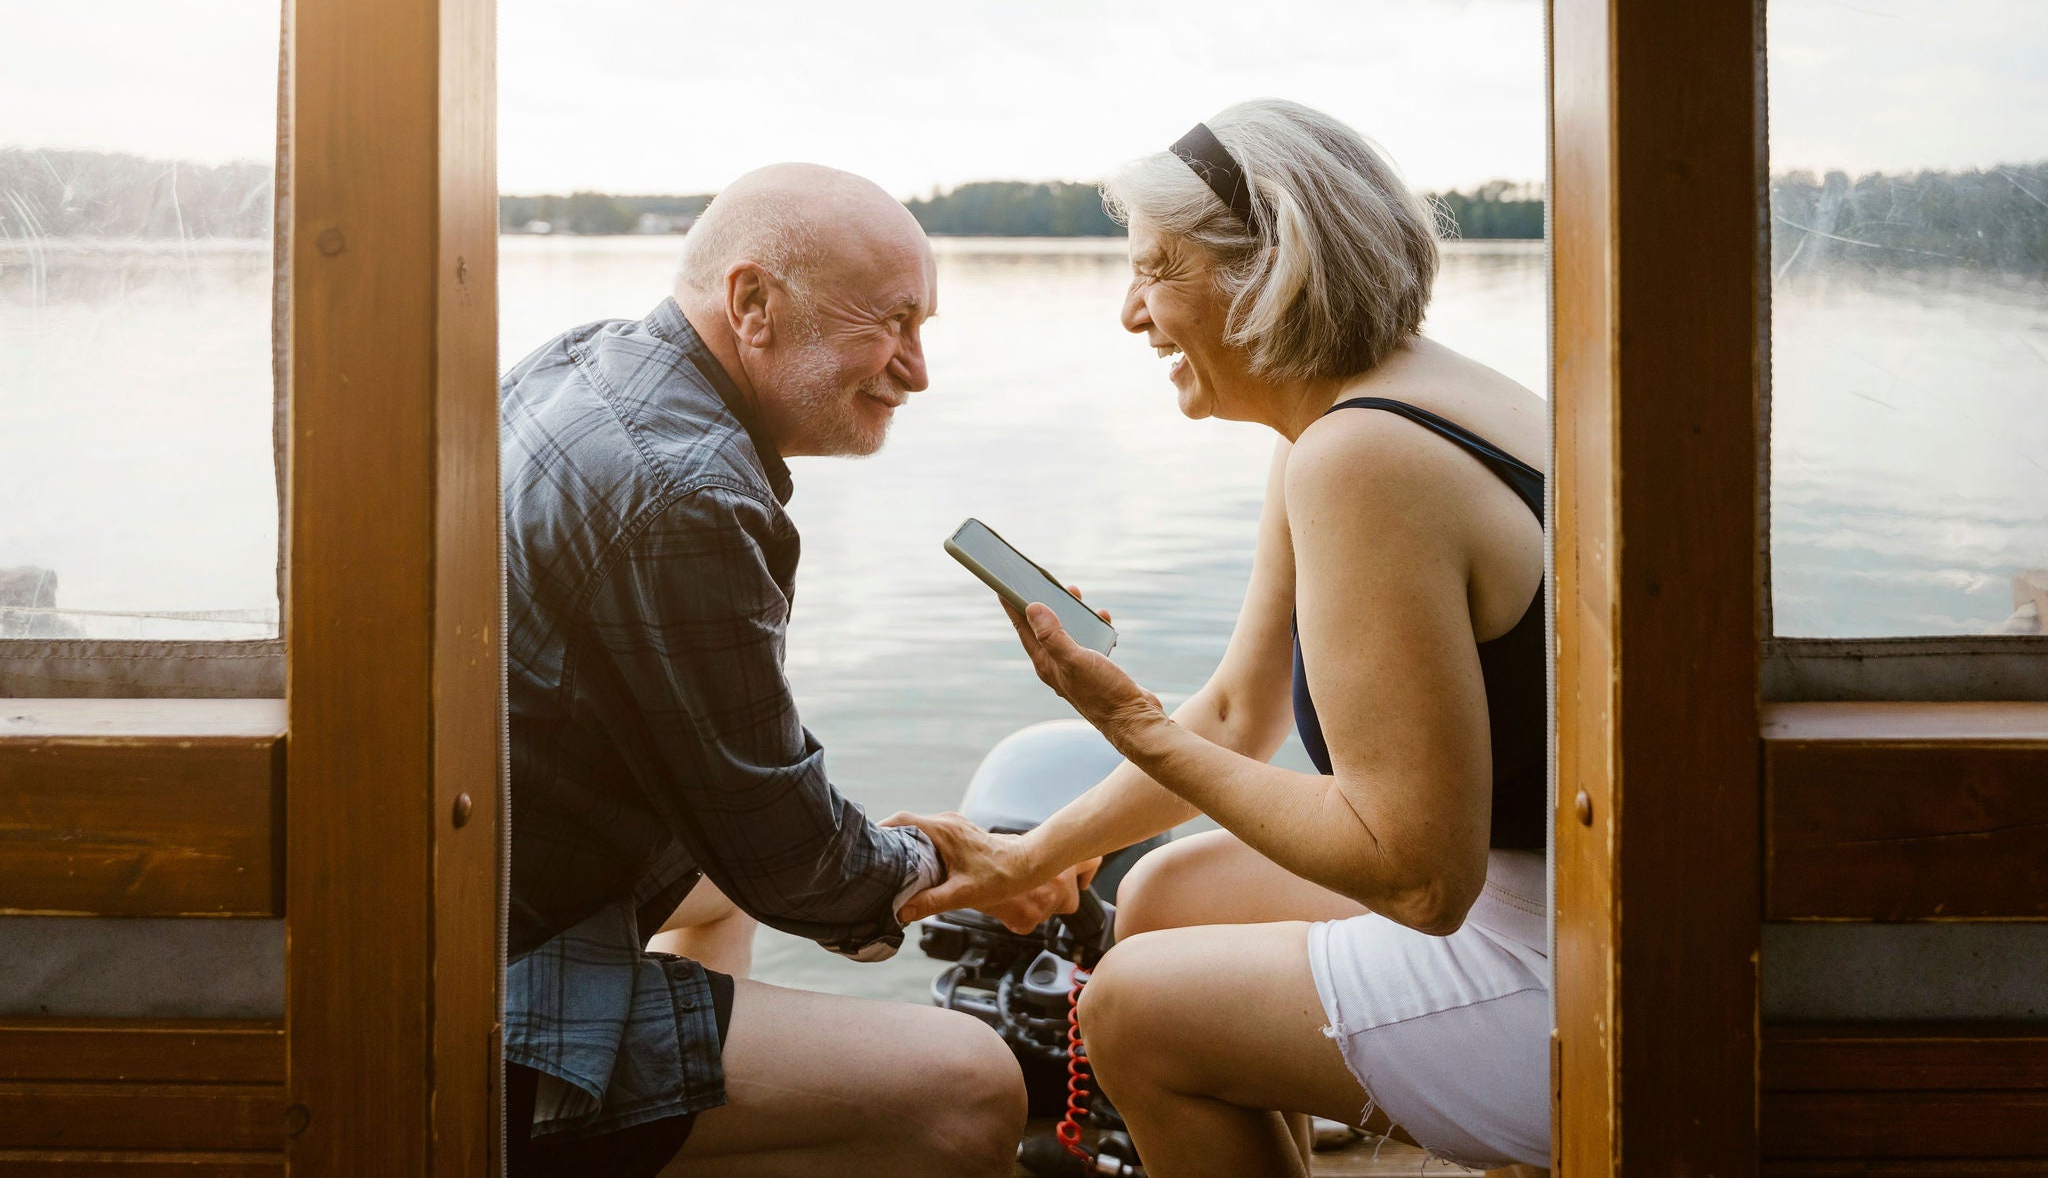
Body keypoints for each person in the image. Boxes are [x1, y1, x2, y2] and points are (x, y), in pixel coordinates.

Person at [892, 101, 1551, 1176]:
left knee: (1135, 1013)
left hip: (1573, 971)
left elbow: (1419, 879)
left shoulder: (1364, 460)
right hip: (1569, 897)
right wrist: (1031, 853)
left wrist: (1135, 728)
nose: (1129, 313)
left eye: (1155, 269)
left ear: (1269, 273)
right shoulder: (1386, 409)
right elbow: (1238, 717)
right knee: (1162, 895)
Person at [499, 163, 1082, 1177]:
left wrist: (905, 856)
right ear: (752, 303)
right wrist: (955, 866)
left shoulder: (584, 363)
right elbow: (792, 860)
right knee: (969, 1085)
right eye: (893, 323)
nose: (915, 369)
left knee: (715, 891)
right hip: (487, 986)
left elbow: (747, 823)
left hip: (466, 888)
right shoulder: (685, 492)